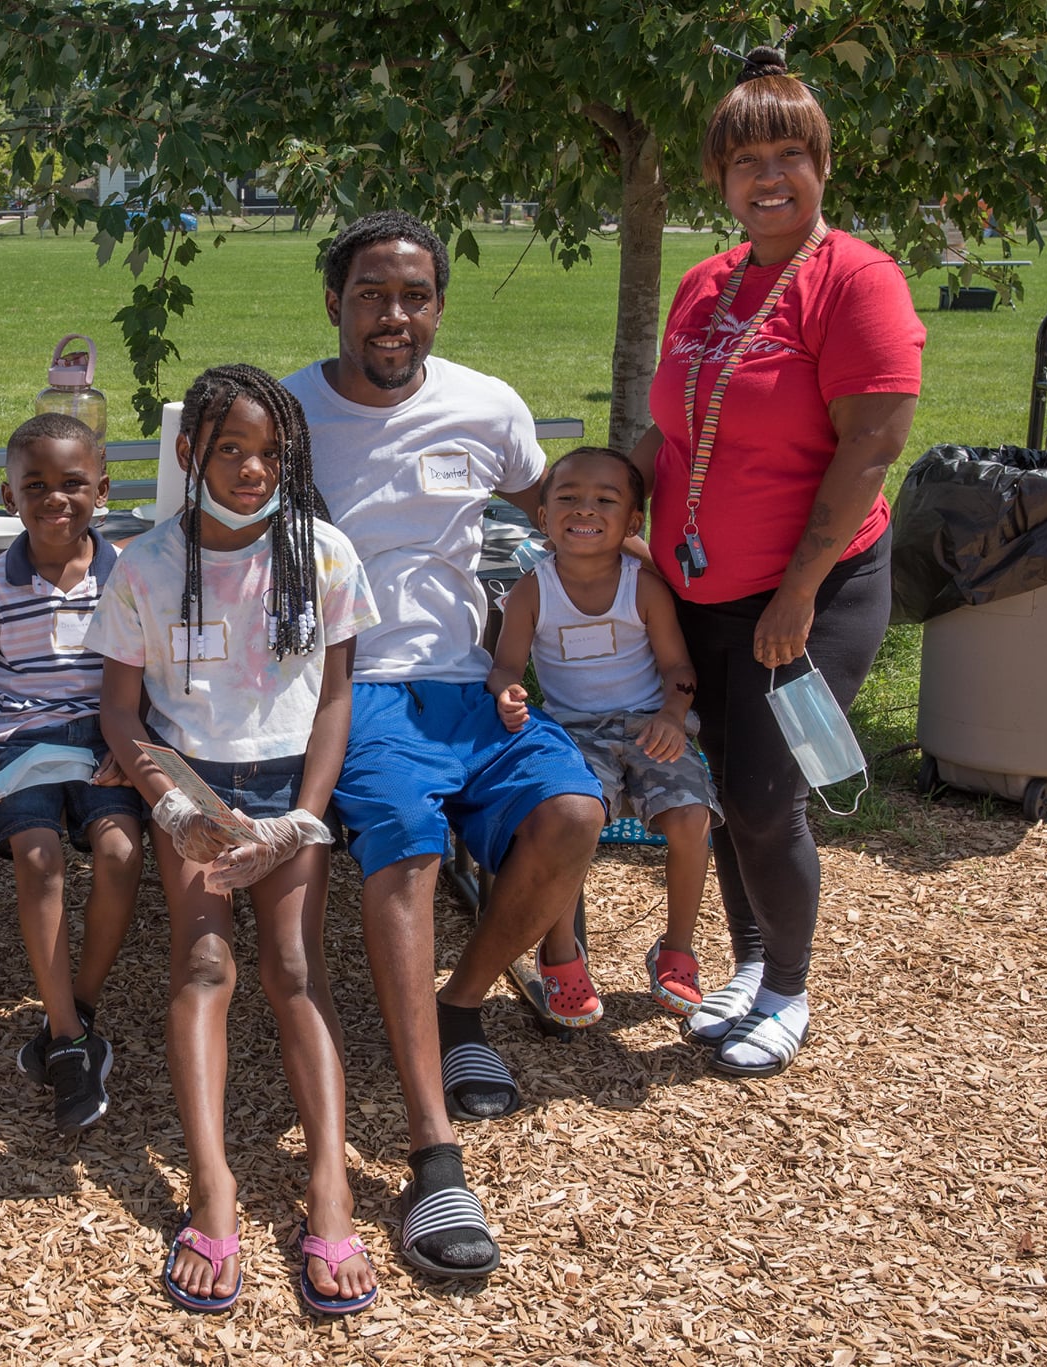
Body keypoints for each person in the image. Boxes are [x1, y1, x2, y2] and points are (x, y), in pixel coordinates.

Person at [282, 209, 607, 1280]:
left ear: (437, 306)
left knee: (572, 814)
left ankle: (461, 999)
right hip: (357, 687)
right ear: (333, 301)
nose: (393, 314)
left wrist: (646, 584)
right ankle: (432, 1154)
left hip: (473, 682)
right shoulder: (288, 413)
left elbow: (557, 506)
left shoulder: (485, 406)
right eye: (371, 293)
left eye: (413, 295)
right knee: (406, 855)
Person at [627, 46, 922, 1077]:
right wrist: (603, 503)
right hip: (698, 588)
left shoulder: (855, 281)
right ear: (717, 179)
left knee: (760, 792)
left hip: (811, 587)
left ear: (821, 166)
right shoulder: (706, 284)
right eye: (744, 157)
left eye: (788, 153)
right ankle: (748, 964)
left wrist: (795, 592)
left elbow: (871, 444)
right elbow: (672, 434)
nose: (766, 175)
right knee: (718, 785)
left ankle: (787, 987)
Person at [94, 365, 382, 1317]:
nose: (254, 469)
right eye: (230, 450)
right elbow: (123, 712)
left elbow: (336, 695)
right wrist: (174, 806)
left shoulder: (328, 555)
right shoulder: (144, 566)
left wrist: (305, 813)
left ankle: (329, 1185)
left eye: (271, 452)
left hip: (291, 784)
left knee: (296, 970)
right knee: (204, 964)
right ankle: (211, 1182)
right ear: (189, 455)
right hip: (195, 786)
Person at [0, 411, 145, 1139]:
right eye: (34, 486)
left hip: (104, 737)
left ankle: (77, 1009)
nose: (54, 499)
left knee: (122, 852)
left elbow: (144, 673)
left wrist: (133, 742)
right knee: (37, 858)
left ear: (102, 488)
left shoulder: (127, 575)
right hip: (20, 742)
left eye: (73, 484)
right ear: (8, 499)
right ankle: (67, 1036)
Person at [485, 446, 722, 1024]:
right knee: (571, 821)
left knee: (691, 817)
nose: (583, 510)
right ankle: (561, 952)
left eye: (605, 501)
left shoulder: (643, 588)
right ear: (542, 518)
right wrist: (507, 692)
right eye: (567, 498)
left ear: (633, 522)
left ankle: (677, 950)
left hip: (650, 723)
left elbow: (679, 670)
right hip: (573, 731)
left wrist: (672, 715)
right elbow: (505, 666)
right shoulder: (532, 592)